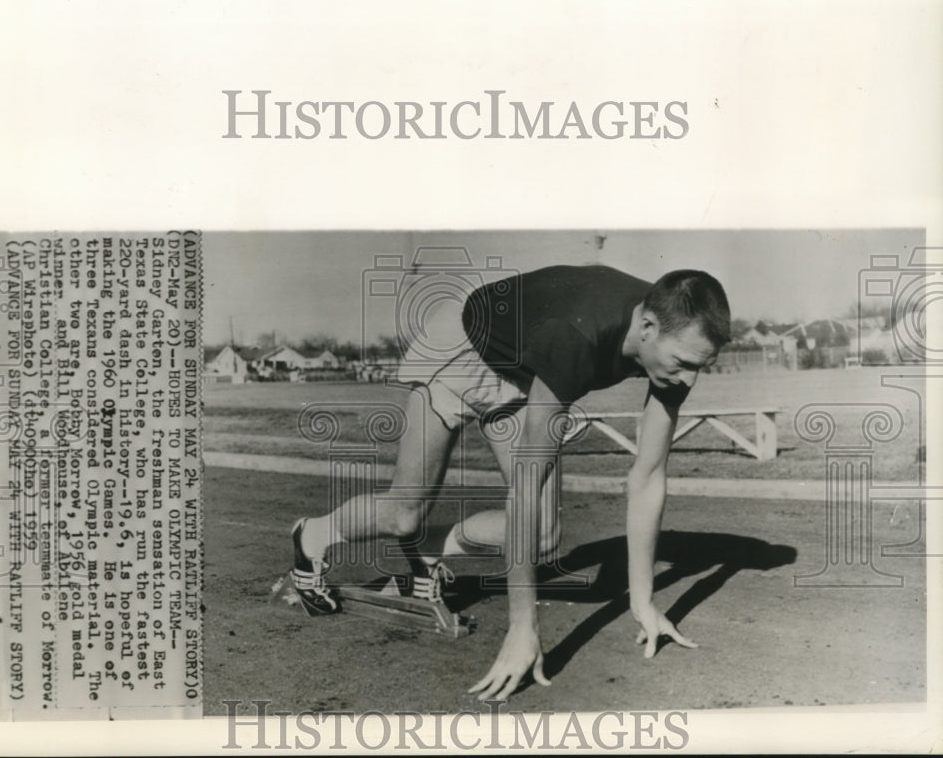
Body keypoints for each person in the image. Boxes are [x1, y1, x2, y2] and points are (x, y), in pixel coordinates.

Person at [286, 264, 731, 701]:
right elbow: (524, 487)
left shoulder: (674, 341)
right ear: (648, 326)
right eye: (684, 364)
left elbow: (648, 475)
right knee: (404, 515)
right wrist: (523, 628)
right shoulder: (576, 336)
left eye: (701, 368)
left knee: (541, 535)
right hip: (462, 348)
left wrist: (644, 603)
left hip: (522, 370)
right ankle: (313, 536)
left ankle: (428, 550)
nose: (689, 380)